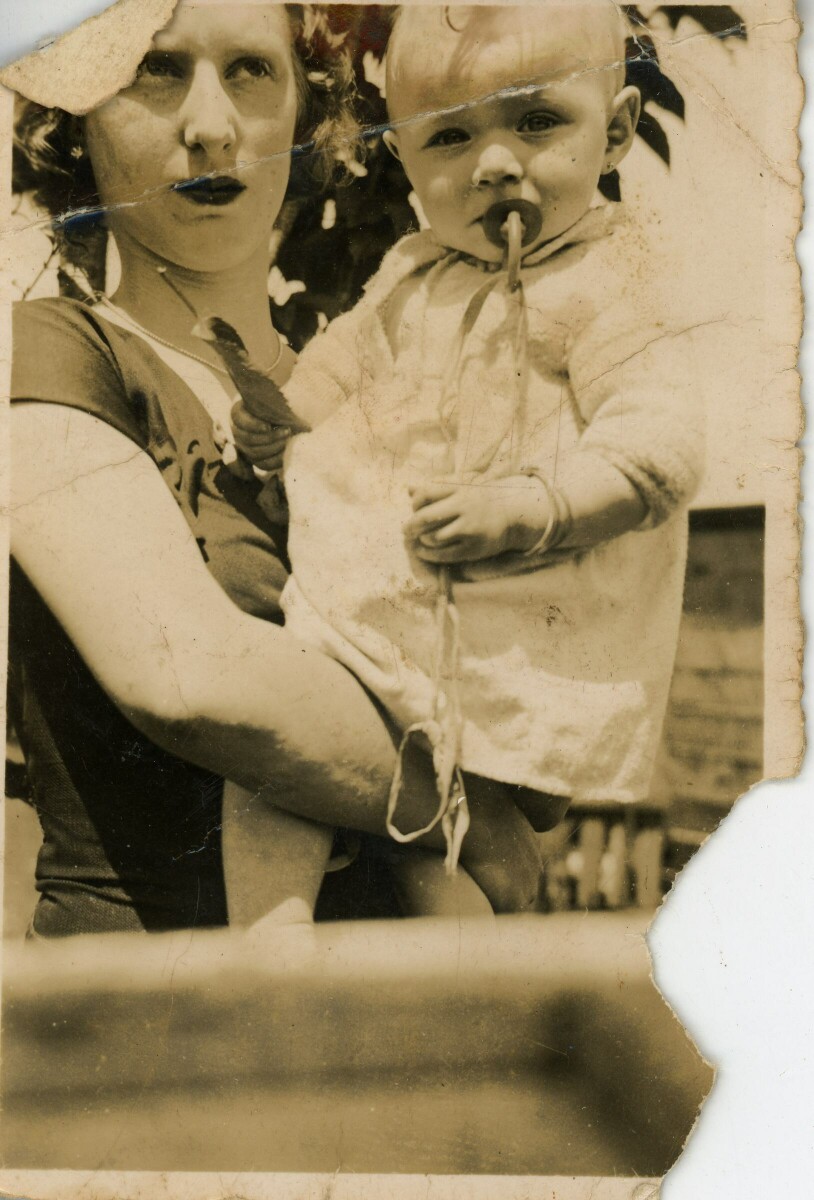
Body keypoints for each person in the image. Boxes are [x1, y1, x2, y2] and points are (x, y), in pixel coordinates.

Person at [8, 0, 557, 939]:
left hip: (401, 999)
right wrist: (468, 814)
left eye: (253, 72)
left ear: (308, 112)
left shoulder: (363, 393)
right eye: (157, 69)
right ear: (77, 113)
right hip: (150, 1011)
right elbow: (185, 675)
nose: (210, 125)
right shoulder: (47, 356)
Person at [231, 2, 707, 908]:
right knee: (295, 762)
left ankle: (474, 941)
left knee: (430, 815)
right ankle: (269, 947)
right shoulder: (412, 273)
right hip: (401, 620)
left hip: (523, 604)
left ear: (615, 133)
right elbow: (338, 362)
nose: (494, 164)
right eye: (448, 138)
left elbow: (661, 448)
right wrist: (284, 417)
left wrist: (540, 508)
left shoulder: (613, 276)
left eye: (536, 121)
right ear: (404, 160)